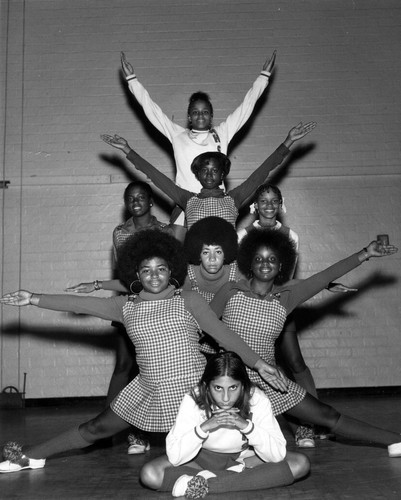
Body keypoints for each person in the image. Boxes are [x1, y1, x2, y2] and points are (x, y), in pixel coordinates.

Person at [0, 231, 288, 474]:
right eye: (146, 270)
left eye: (161, 268)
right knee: (97, 428)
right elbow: (79, 304)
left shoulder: (188, 300)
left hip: (191, 389)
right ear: (135, 273)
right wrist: (34, 299)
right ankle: (33, 456)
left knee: (200, 449)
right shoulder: (125, 306)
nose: (154, 276)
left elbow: (224, 335)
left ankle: (243, 463)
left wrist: (259, 364)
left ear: (171, 270)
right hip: (148, 386)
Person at [209, 229, 401, 457]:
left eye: (272, 259)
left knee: (326, 415)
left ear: (281, 266)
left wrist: (365, 253)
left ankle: (395, 441)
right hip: (229, 377)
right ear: (250, 263)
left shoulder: (287, 296)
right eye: (259, 259)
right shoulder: (231, 291)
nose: (265, 264)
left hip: (269, 377)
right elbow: (206, 327)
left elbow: (323, 277)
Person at [66, 180, 175, 455]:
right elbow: (127, 275)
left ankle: (168, 428)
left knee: (159, 367)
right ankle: (114, 430)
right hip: (131, 303)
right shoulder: (120, 232)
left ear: (151, 202)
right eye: (130, 198)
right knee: (124, 365)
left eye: (141, 197)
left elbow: (165, 272)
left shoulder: (164, 230)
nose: (136, 201)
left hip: (160, 305)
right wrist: (101, 286)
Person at [140, 351, 310, 498]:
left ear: (243, 386)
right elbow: (175, 455)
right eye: (218, 388)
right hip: (198, 460)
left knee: (300, 464)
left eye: (233, 388)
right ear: (207, 386)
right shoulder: (194, 398)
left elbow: (277, 454)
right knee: (150, 474)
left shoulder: (257, 398)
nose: (226, 398)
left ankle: (201, 483)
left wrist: (246, 427)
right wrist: (204, 427)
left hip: (247, 460)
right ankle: (232, 479)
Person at [101, 120, 316, 230]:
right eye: (205, 170)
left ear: (223, 174)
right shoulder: (188, 200)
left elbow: (262, 173)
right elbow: (156, 177)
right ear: (197, 174)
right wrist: (128, 151)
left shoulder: (234, 199)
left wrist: (288, 142)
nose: (210, 174)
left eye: (215, 170)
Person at [121, 51, 276, 193]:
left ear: (211, 116)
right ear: (189, 117)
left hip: (216, 202)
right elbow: (152, 110)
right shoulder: (177, 134)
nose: (200, 115)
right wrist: (132, 80)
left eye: (205, 112)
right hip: (186, 203)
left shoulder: (222, 133)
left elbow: (246, 107)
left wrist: (263, 77)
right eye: (195, 112)